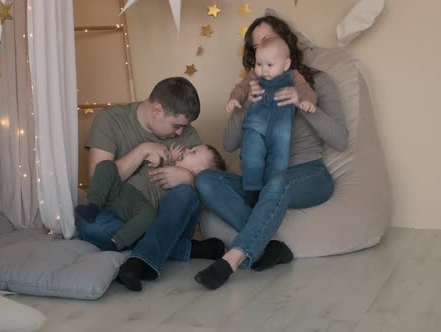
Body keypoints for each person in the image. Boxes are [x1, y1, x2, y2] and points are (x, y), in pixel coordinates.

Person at [194, 15, 349, 290]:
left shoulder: (316, 83)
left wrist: (301, 103)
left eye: (266, 40)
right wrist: (244, 106)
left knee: (279, 181)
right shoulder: (251, 87)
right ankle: (268, 249)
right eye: (256, 49)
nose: (261, 51)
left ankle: (232, 258)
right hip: (260, 182)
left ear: (285, 45)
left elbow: (340, 139)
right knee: (206, 179)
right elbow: (229, 144)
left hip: (308, 174)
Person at [78, 77, 226, 292]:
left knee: (186, 193)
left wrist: (188, 178)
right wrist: (142, 151)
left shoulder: (187, 132)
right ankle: (188, 249)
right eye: (176, 126)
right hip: (128, 213)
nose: (180, 133)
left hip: (170, 218)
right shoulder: (111, 120)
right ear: (157, 110)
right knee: (90, 226)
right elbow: (98, 180)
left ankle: (141, 260)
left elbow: (210, 181)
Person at [75, 144, 226, 252]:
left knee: (148, 216)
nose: (187, 149)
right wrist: (166, 158)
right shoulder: (171, 160)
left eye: (193, 152)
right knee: (106, 166)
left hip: (138, 207)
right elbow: (155, 162)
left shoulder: (188, 190)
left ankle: (116, 242)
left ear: (197, 171)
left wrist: (189, 180)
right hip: (121, 192)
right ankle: (93, 206)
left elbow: (185, 210)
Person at [226, 37, 317, 206]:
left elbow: (306, 91)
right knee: (251, 155)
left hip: (280, 131)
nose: (263, 70)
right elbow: (241, 87)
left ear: (286, 64)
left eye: (269, 65)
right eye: (259, 64)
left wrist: (307, 101)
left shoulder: (294, 77)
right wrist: (235, 99)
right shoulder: (254, 76)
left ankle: (269, 192)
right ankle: (252, 190)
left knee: (279, 160)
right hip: (255, 126)